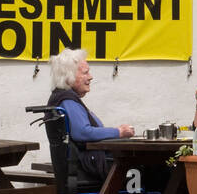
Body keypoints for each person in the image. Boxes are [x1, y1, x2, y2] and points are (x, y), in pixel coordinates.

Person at [47, 47, 134, 184]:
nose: (90, 77)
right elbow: (83, 133)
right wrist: (119, 132)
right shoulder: (68, 101)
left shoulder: (63, 98)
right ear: (70, 77)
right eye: (86, 73)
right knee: (151, 167)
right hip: (89, 166)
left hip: (85, 164)